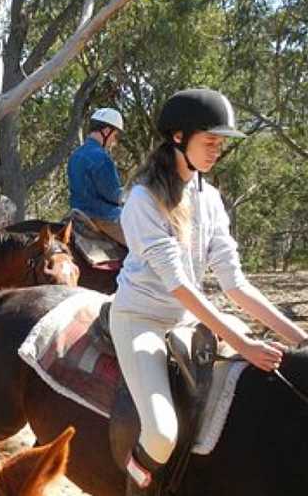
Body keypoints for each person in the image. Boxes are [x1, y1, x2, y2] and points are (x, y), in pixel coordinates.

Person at [110, 89, 307, 495]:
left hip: (187, 318)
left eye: (221, 143)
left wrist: (299, 337)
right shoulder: (143, 200)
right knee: (162, 433)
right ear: (178, 137)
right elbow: (179, 284)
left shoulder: (211, 199)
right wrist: (243, 343)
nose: (218, 150)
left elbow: (235, 283)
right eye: (210, 141)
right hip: (141, 320)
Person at [67, 107, 127, 246]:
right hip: (103, 217)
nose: (114, 141)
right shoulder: (101, 157)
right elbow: (113, 195)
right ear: (106, 131)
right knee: (145, 245)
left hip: (77, 213)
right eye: (115, 136)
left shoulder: (75, 155)